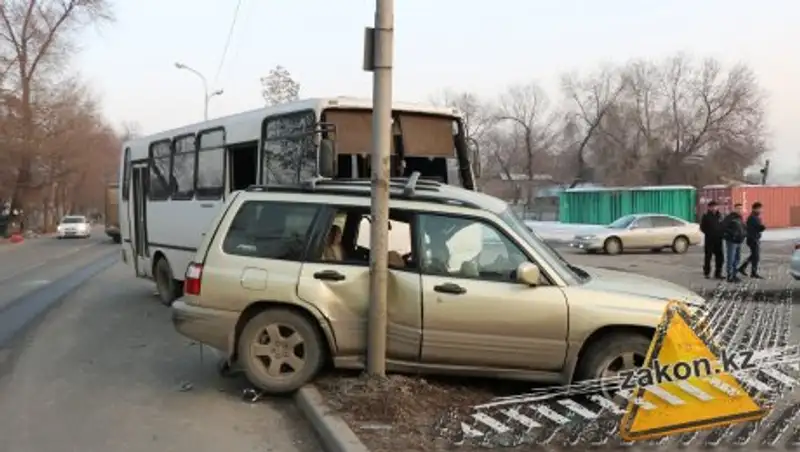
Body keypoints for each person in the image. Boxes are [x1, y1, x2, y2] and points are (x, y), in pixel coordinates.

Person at [739, 201, 766, 279]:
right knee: (756, 256)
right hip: (753, 239)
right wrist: (762, 227)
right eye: (760, 209)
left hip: (754, 238)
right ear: (755, 209)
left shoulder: (754, 217)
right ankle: (753, 273)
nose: (761, 210)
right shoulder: (753, 217)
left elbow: (755, 228)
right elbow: (752, 229)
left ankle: (742, 268)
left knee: (754, 255)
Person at [721, 203, 747, 283]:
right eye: (738, 208)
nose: (739, 210)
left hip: (739, 241)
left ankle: (734, 274)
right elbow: (723, 227)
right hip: (731, 241)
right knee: (731, 259)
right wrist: (732, 234)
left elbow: (743, 228)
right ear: (734, 209)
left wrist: (745, 233)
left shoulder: (740, 218)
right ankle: (730, 276)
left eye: (740, 208)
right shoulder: (730, 217)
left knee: (737, 258)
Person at [699, 200, 724, 279]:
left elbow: (723, 225)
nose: (714, 208)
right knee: (708, 257)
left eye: (715, 206)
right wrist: (709, 233)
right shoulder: (706, 216)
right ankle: (707, 273)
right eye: (712, 207)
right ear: (709, 207)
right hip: (709, 239)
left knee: (720, 257)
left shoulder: (720, 215)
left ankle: (718, 273)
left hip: (718, 239)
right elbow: (702, 227)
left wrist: (722, 233)